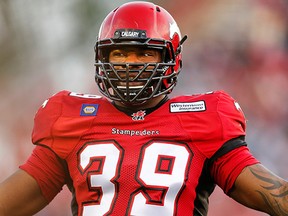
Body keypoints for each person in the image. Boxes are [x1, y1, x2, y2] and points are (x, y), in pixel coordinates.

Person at [0, 1, 287, 215]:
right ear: (102, 58)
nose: (129, 63)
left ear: (171, 58)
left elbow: (272, 193)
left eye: (144, 53)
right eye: (119, 52)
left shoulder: (206, 117)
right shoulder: (70, 118)